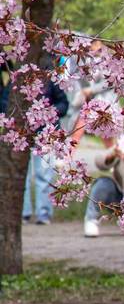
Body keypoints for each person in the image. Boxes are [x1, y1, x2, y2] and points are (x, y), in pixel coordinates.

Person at [20, 58, 67, 226]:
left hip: (47, 134)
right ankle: (22, 213)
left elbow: (64, 104)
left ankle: (44, 213)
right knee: (22, 176)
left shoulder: (50, 79)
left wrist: (51, 112)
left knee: (44, 174)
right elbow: (5, 102)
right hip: (22, 134)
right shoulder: (18, 79)